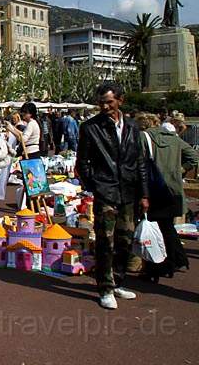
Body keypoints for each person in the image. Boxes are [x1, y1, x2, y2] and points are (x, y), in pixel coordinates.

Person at [76, 82, 149, 310]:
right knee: (105, 241)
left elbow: (140, 162)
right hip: (106, 190)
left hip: (128, 191)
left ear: (120, 101)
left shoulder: (132, 127)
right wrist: (94, 185)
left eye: (109, 102)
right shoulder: (90, 127)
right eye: (102, 103)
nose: (105, 107)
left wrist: (144, 193)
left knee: (124, 240)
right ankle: (105, 287)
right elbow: (82, 162)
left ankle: (117, 281)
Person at [139, 114, 198, 282]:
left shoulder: (144, 138)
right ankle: (177, 260)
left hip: (154, 190)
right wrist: (180, 170)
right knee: (167, 227)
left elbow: (139, 164)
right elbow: (194, 157)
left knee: (154, 229)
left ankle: (159, 266)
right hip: (173, 189)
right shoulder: (174, 139)